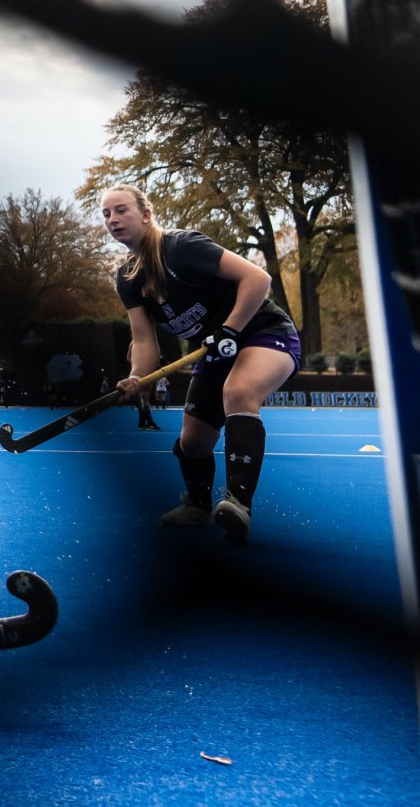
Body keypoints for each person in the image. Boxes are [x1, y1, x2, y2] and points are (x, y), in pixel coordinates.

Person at [99, 184, 301, 545]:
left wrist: (230, 329)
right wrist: (136, 377)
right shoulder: (128, 278)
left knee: (238, 392)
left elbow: (258, 278)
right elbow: (144, 340)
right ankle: (197, 505)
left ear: (145, 215)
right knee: (192, 444)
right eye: (106, 214)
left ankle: (238, 504)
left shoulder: (181, 247)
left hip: (262, 333)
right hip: (214, 352)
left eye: (121, 210)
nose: (113, 220)